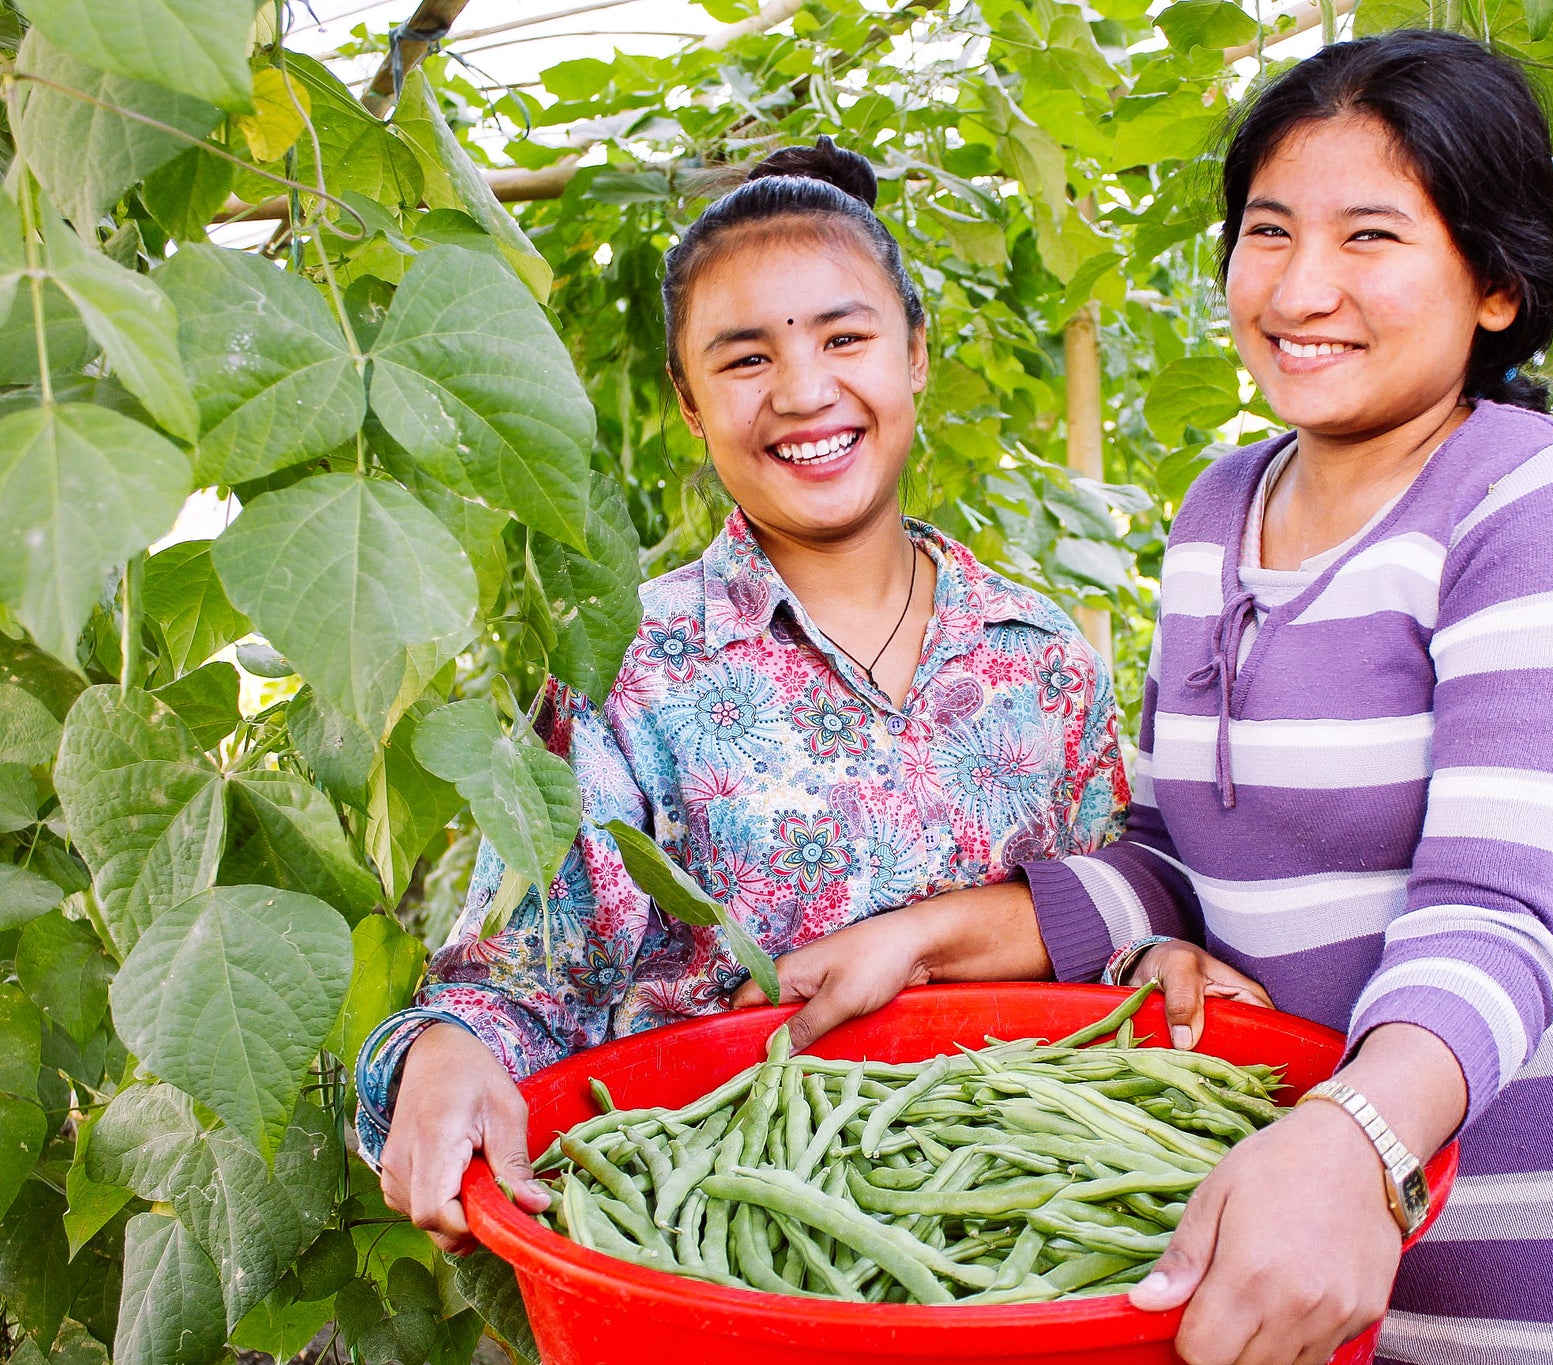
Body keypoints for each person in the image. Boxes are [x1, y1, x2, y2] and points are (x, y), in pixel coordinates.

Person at [746, 33, 1553, 1365]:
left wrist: (1355, 1138)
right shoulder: (1224, 508)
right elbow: (1182, 856)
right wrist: (937, 939)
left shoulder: (1548, 512)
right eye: (1269, 230)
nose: (1298, 287)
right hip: (1287, 1277)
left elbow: (1501, 914)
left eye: (1369, 237)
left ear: (1497, 284)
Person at [359, 138, 1129, 1254]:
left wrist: (1140, 950)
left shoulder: (1041, 656)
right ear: (687, 401)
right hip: (719, 1247)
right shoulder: (628, 665)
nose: (804, 392)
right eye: (745, 358)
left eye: (844, 339)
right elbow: (519, 983)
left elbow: (1113, 921)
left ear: (915, 354)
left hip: (1024, 1237)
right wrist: (445, 1052)